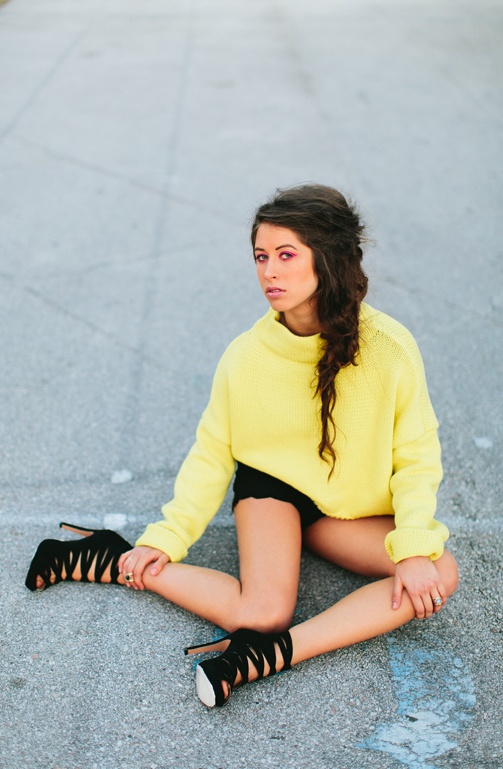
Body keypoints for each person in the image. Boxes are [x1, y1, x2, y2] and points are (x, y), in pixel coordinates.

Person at [26, 184, 459, 708]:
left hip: (341, 509)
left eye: (285, 255)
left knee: (437, 571)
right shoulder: (245, 357)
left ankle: (271, 655)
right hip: (273, 489)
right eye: (260, 256)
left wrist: (411, 550)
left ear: (327, 258)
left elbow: (416, 456)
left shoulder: (390, 348)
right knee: (263, 611)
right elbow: (212, 453)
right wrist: (166, 538)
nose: (269, 272)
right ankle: (110, 557)